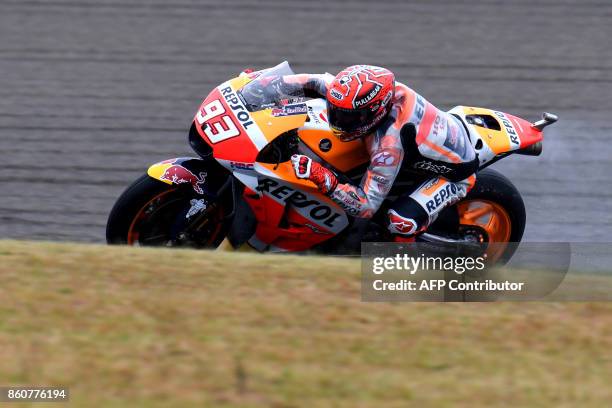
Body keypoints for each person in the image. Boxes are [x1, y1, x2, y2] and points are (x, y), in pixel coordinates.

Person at [280, 65, 479, 240]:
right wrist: (266, 85)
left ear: (376, 111)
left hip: (454, 175)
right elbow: (313, 81)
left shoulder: (389, 144)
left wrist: (322, 177)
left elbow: (365, 206)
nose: (339, 121)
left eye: (350, 118)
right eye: (336, 111)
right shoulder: (359, 96)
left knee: (400, 222)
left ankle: (406, 264)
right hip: (427, 140)